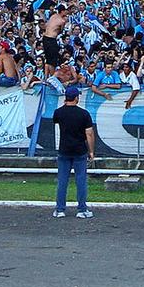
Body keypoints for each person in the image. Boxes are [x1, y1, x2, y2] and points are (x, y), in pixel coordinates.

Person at [51, 84, 95, 217]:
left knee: (62, 180)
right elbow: (89, 134)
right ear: (76, 98)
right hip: (79, 150)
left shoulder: (58, 112)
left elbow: (56, 121)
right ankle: (82, 209)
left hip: (64, 149)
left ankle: (60, 209)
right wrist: (91, 151)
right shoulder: (83, 114)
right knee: (81, 180)